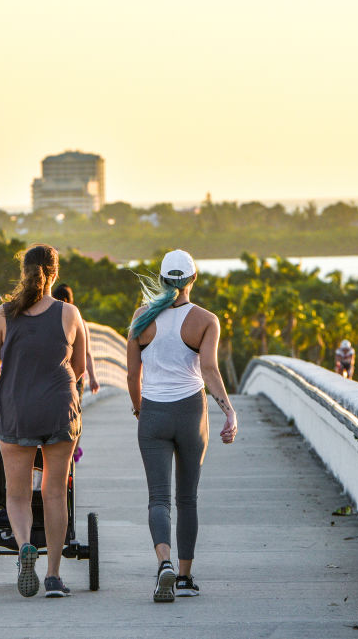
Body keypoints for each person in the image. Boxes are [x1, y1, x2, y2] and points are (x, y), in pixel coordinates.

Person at [126, 249, 238, 603]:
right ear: (194, 279)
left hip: (154, 413)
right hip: (191, 412)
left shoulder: (141, 317)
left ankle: (164, 564)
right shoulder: (205, 320)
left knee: (158, 499)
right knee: (187, 498)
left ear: (161, 280)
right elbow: (209, 370)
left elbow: (133, 374)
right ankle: (186, 578)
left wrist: (140, 409)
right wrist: (229, 412)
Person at [0, 244, 85, 599]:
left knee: (18, 494)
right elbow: (81, 369)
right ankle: (54, 576)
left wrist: (7, 393)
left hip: (17, 411)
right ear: (54, 274)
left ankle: (25, 545)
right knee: (55, 492)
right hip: (59, 408)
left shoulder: (4, 314)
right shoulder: (69, 313)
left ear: (23, 272)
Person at [52, 283, 101, 396]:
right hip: (75, 376)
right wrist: (93, 377)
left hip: (55, 376)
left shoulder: (49, 321)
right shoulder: (80, 323)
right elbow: (87, 353)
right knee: (74, 409)